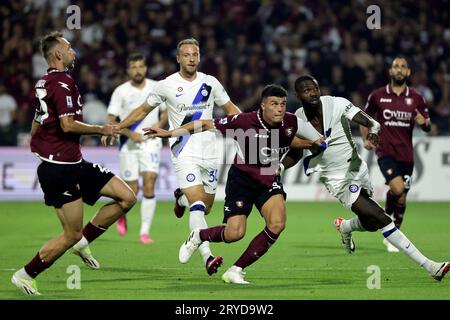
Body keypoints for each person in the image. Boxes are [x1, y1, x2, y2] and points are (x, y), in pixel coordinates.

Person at [146, 84, 323, 284]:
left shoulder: (292, 121)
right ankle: (198, 235)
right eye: (274, 104)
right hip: (242, 178)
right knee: (235, 233)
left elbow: (312, 139)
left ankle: (236, 269)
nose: (280, 109)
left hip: (268, 176)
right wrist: (170, 134)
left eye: (282, 104)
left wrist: (317, 143)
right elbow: (204, 124)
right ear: (263, 106)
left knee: (277, 224)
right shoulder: (243, 121)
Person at [280, 75, 449, 281]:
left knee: (370, 223)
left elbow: (369, 121)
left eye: (314, 88)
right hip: (336, 179)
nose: (312, 93)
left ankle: (346, 226)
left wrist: (374, 129)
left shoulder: (337, 103)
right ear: (297, 95)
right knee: (382, 218)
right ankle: (431, 266)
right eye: (306, 90)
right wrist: (280, 166)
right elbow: (296, 152)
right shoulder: (297, 120)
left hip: (357, 168)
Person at [11, 31, 137, 295]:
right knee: (70, 234)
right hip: (59, 170)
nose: (73, 52)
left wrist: (39, 143)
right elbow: (67, 125)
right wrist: (102, 129)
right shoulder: (62, 84)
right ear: (58, 53)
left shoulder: (45, 82)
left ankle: (84, 242)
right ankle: (25, 274)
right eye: (69, 48)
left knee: (127, 197)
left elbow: (37, 122)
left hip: (74, 162)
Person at [113, 38, 242, 276]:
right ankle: (207, 256)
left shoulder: (210, 83)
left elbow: (232, 110)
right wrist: (119, 126)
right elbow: (143, 110)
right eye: (186, 54)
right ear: (178, 58)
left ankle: (180, 199)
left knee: (207, 207)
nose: (191, 58)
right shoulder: (166, 85)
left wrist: (250, 131)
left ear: (199, 57)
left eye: (195, 54)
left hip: (210, 152)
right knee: (198, 206)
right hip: (183, 150)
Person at [360, 56, 431, 252]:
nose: (399, 70)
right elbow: (364, 118)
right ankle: (387, 221)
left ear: (408, 72)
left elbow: (427, 125)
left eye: (403, 67)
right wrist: (367, 139)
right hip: (385, 151)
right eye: (395, 67)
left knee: (401, 198)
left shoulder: (416, 98)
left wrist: (424, 123)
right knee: (398, 189)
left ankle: (393, 232)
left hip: (407, 155)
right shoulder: (377, 95)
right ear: (390, 72)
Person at [101, 53, 168, 244]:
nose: (137, 70)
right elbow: (112, 118)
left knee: (149, 184)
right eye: (134, 67)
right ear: (128, 70)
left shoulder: (156, 87)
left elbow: (166, 112)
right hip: (128, 144)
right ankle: (121, 214)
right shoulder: (120, 91)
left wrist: (158, 128)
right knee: (131, 191)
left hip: (151, 142)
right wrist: (130, 134)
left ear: (145, 68)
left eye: (141, 66)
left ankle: (144, 232)